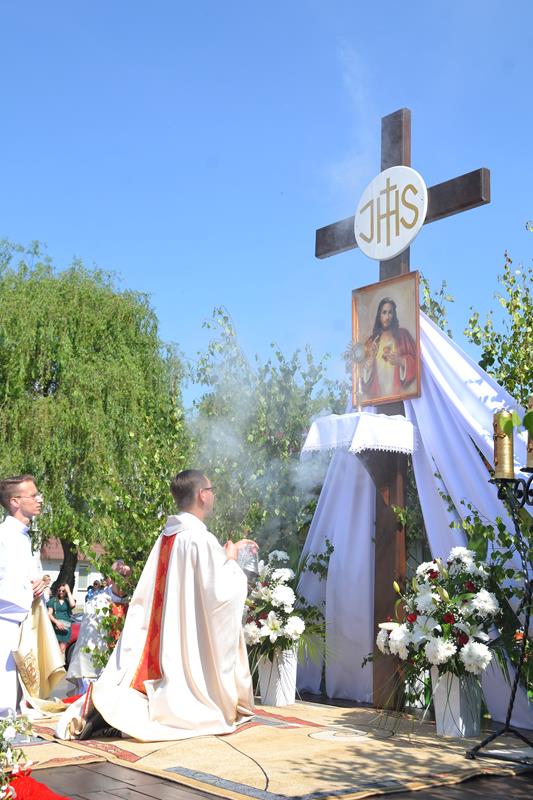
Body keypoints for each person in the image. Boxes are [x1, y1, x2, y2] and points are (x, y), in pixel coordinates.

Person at [56, 469, 256, 741]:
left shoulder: (170, 535)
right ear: (202, 494)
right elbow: (221, 593)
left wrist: (224, 553)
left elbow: (195, 580)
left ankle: (108, 713)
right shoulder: (199, 538)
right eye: (211, 490)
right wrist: (231, 560)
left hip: (167, 629)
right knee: (192, 698)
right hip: (184, 632)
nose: (214, 495)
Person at [0, 474, 46, 716]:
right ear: (15, 502)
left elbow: (23, 577)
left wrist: (40, 584)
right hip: (5, 622)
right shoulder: (3, 536)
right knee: (4, 693)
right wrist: (28, 591)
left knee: (21, 693)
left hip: (23, 623)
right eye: (33, 495)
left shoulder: (24, 537)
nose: (40, 500)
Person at [66, 560, 131, 694]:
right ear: (111, 578)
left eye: (128, 576)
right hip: (98, 671)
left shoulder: (135, 603)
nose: (125, 580)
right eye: (121, 575)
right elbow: (88, 644)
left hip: (126, 669)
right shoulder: (97, 604)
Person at [362, 297, 417, 402]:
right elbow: (362, 380)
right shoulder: (371, 342)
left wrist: (401, 361)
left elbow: (416, 362)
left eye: (390, 312)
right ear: (379, 315)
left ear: (394, 315)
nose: (387, 317)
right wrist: (370, 362)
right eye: (384, 312)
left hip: (401, 399)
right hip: (378, 401)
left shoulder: (403, 336)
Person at [47, 584, 76, 656]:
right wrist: (57, 622)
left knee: (62, 649)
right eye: (59, 590)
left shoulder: (68, 601)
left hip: (65, 627)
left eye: (63, 591)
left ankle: (61, 662)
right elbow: (49, 614)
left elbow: (73, 605)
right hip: (55, 626)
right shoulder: (53, 601)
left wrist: (68, 592)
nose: (61, 592)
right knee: (54, 648)